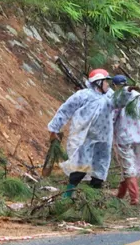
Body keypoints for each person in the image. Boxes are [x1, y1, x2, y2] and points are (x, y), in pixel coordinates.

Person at [47, 68, 116, 198]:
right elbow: (66, 110)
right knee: (81, 165)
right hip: (86, 137)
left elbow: (120, 109)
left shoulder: (111, 96)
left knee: (100, 168)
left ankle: (93, 199)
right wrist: (55, 128)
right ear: (98, 82)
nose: (108, 84)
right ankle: (67, 195)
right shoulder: (84, 95)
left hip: (104, 139)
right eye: (106, 81)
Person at [111, 75, 140, 206]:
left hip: (124, 137)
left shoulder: (119, 98)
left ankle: (134, 197)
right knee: (133, 165)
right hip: (139, 136)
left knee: (128, 166)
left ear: (115, 86)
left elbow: (112, 116)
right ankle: (120, 194)